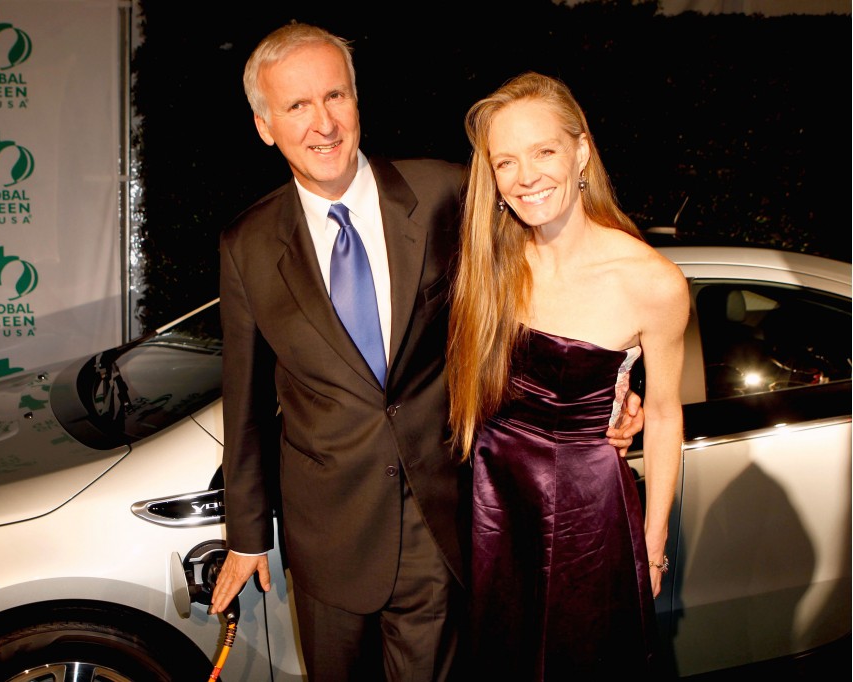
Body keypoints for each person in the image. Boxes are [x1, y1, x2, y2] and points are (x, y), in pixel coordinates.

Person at [208, 23, 643, 681]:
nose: (323, 123)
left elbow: (557, 270)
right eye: (297, 107)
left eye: (336, 96)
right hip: (326, 534)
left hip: (439, 517)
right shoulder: (246, 244)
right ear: (265, 125)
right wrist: (246, 534)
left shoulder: (444, 194)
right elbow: (243, 401)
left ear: (358, 102)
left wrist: (613, 380)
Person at [446, 71, 689, 680]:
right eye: (506, 162)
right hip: (490, 501)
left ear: (581, 152)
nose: (526, 177)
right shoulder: (489, 263)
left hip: (583, 513)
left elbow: (663, 415)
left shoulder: (650, 281)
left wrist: (653, 545)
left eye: (543, 151)